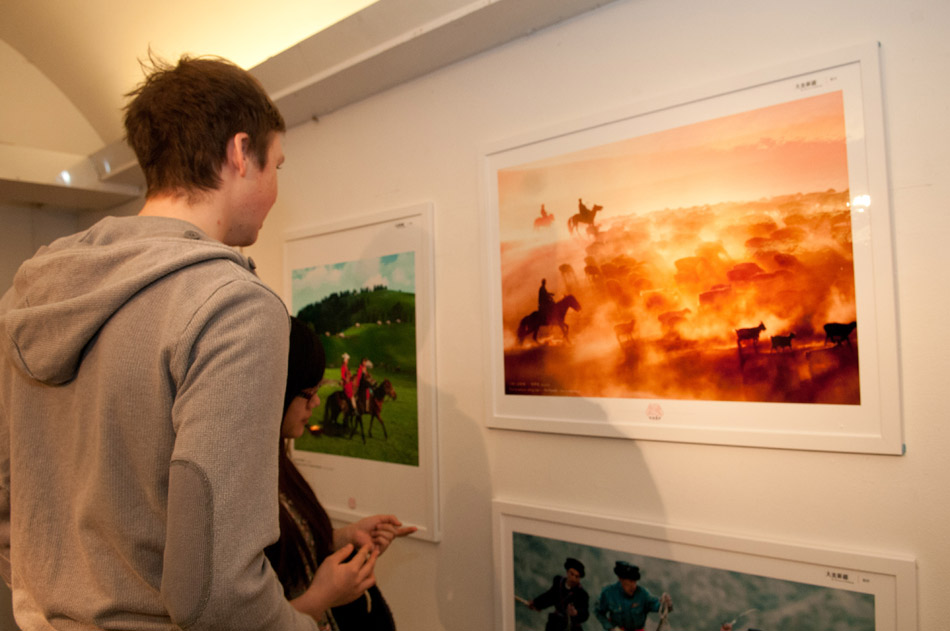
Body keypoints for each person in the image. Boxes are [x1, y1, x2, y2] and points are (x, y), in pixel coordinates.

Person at [0, 53, 324, 630]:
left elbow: (7, 496)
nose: (276, 187)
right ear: (238, 153)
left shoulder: (30, 293)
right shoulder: (233, 304)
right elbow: (219, 590)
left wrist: (44, 595)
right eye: (276, 165)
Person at [267, 318, 416, 630]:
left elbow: (288, 556)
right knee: (350, 400)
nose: (316, 402)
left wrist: (341, 539)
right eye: (308, 393)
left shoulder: (278, 463)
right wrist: (322, 597)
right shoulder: (241, 485)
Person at [594, 561, 673, 631]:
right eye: (630, 581)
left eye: (635, 582)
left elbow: (658, 606)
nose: (633, 586)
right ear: (621, 579)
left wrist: (666, 604)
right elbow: (599, 612)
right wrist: (611, 628)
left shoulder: (643, 594)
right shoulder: (609, 593)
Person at [529, 557, 590, 631]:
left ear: (579, 578)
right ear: (567, 572)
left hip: (571, 627)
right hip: (555, 623)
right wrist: (536, 603)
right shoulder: (558, 582)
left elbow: (585, 613)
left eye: (577, 576)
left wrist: (575, 612)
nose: (573, 578)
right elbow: (549, 596)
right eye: (572, 574)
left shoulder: (582, 594)